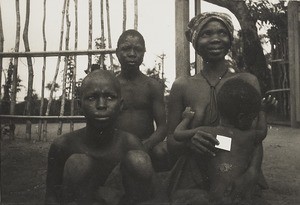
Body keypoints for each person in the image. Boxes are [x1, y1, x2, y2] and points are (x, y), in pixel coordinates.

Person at [166, 12, 272, 203]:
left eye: (222, 33)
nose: (215, 39)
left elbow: (255, 137)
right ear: (196, 41)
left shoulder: (247, 82)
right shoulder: (182, 86)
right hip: (194, 173)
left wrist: (253, 171)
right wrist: (190, 142)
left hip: (237, 170)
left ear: (230, 39)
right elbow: (172, 142)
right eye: (206, 34)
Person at [45, 69, 154, 204]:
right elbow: (51, 197)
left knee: (139, 160)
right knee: (78, 164)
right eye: (92, 98)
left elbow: (148, 197)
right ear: (80, 105)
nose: (101, 105)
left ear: (121, 105)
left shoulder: (131, 144)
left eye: (109, 97)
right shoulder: (63, 145)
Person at [173, 78, 275, 204]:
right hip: (238, 197)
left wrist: (186, 119)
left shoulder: (207, 132)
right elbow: (262, 131)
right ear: (241, 118)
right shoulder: (248, 136)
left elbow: (177, 134)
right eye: (252, 118)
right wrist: (263, 111)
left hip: (216, 198)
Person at [115, 29, 168, 170]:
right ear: (117, 52)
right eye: (126, 49)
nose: (132, 54)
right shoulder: (111, 85)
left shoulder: (152, 86)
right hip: (115, 146)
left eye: (137, 49)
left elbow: (162, 127)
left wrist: (145, 145)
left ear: (144, 52)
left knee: (161, 152)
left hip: (146, 145)